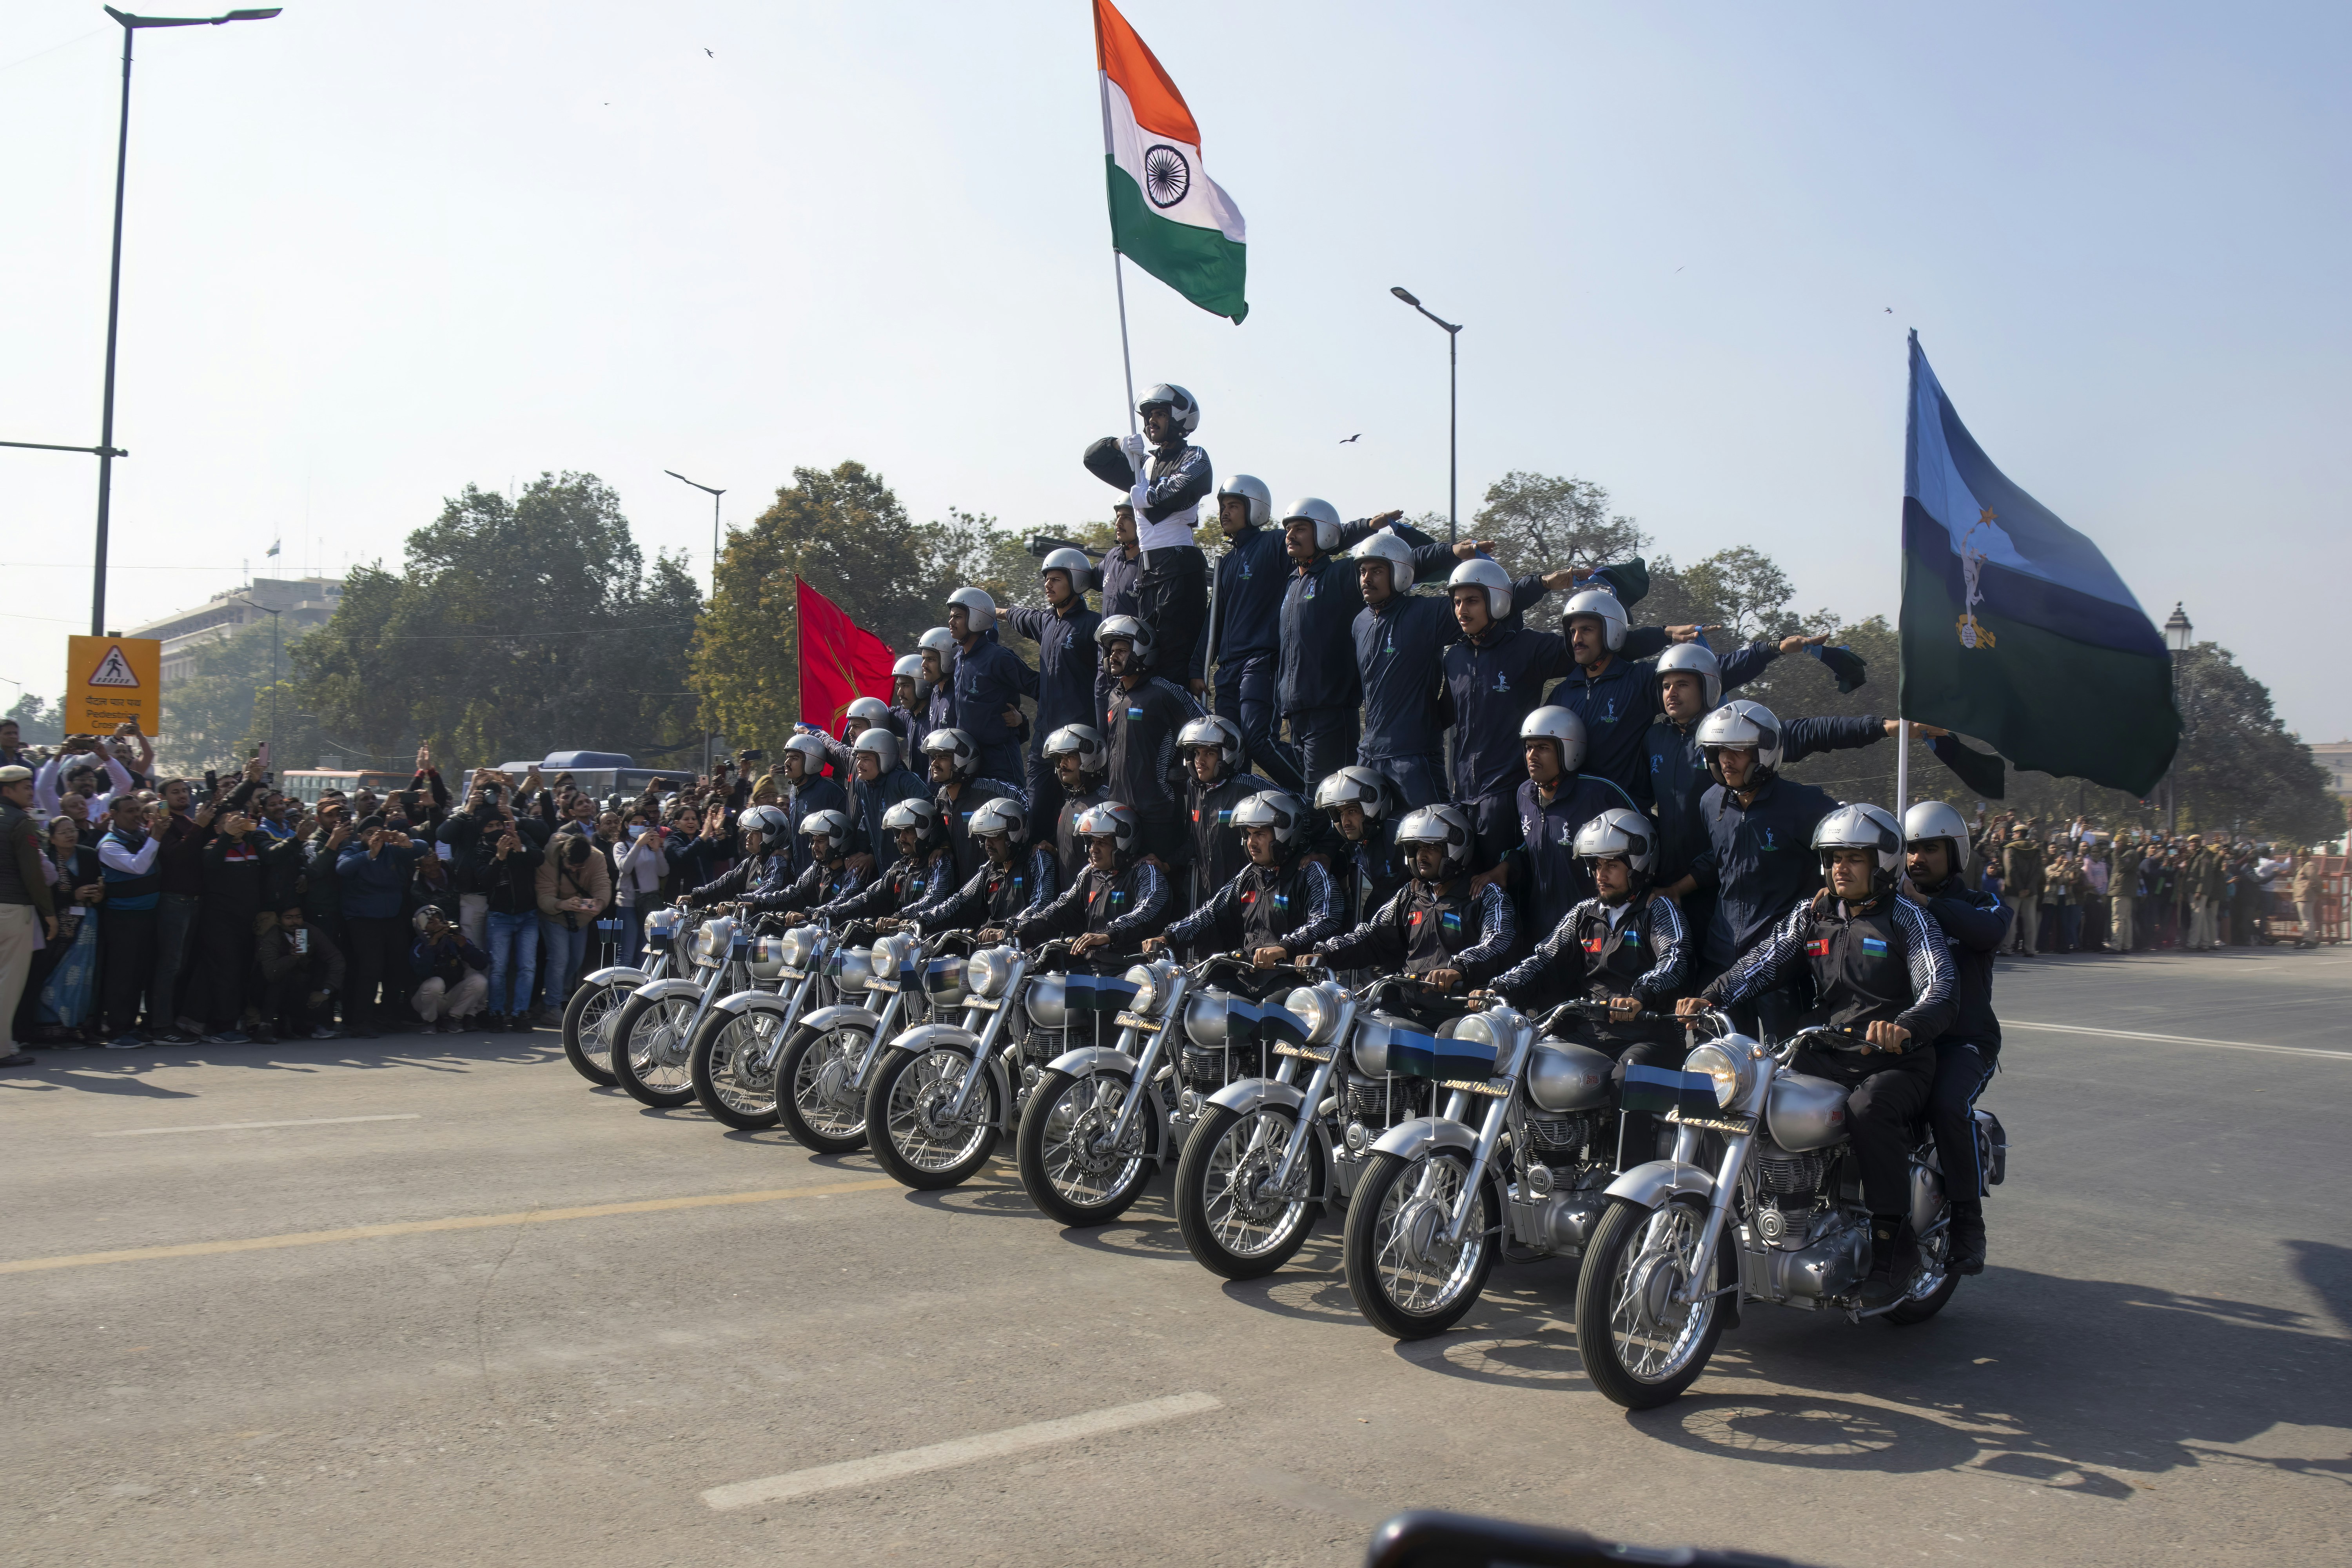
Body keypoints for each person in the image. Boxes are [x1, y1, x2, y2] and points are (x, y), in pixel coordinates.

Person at [1681, 803, 1956, 1306]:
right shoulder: (1815, 914)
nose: (1841, 869)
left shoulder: (1907, 918)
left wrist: (1905, 1027)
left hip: (1896, 1060)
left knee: (1867, 1110)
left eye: (1854, 858)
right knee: (1752, 1093)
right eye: (1833, 858)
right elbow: (1763, 961)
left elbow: (1940, 987)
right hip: (1828, 1050)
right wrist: (1713, 995)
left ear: (1884, 864)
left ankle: (1895, 1249)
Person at [1635, 641, 1930, 944]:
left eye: (1682, 684)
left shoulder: (1741, 732)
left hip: (1730, 893)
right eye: (1666, 685)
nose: (1672, 692)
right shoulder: (1653, 739)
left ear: (1708, 686)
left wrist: (1881, 728)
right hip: (1674, 885)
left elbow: (1813, 732)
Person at [1477, 808, 1690, 1169]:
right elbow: (1543, 958)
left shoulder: (1659, 910)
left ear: (1637, 865)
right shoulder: (1583, 915)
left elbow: (1675, 957)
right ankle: (1523, 1166)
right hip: (1589, 1029)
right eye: (1595, 866)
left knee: (1629, 1076)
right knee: (1522, 1061)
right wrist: (1498, 988)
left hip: (1646, 1033)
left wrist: (1640, 995)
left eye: (1611, 865)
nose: (1600, 875)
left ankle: (1628, 1186)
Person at [1652, 702, 1840, 1040]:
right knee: (1716, 1064)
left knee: (1780, 1067)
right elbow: (1722, 858)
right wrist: (1678, 889)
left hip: (1778, 963)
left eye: (1737, 751)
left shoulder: (1806, 805)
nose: (1726, 760)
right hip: (1720, 957)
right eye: (1719, 750)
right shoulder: (1711, 802)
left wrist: (1834, 888)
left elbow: (1852, 841)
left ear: (1765, 752)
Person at [1350, 531, 1576, 811]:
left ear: (1399, 574)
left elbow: (1495, 598)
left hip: (1413, 757)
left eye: (1377, 571)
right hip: (1369, 754)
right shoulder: (1359, 623)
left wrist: (1541, 584)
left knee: (1434, 838)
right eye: (1362, 571)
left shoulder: (1424, 614)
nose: (1367, 578)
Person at [1550, 587, 1810, 796]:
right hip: (1573, 816)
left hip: (1624, 818)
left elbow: (1714, 670)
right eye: (1572, 631)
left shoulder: (1637, 681)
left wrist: (1771, 649)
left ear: (1611, 631)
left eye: (1586, 630)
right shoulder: (1561, 695)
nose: (1576, 639)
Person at [1903, 800, 2005, 1277]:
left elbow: (1988, 932)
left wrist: (1925, 905)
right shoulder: (1893, 906)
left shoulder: (1980, 903)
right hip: (1908, 1039)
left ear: (1955, 851)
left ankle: (1969, 1223)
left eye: (1928, 848)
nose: (1916, 858)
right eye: (1909, 849)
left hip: (1965, 1042)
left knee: (1947, 1105)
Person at [1276, 502, 1436, 791]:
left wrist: (1454, 553)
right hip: (1297, 717)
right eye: (1288, 529)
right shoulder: (1290, 584)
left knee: (1327, 806)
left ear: (1323, 533)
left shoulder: (1340, 576)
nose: (1290, 535)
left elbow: (1407, 561)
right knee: (1308, 802)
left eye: (1300, 529)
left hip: (1331, 714)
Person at [1308, 804, 1517, 994]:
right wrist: (1326, 955)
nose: (1421, 856)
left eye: (1432, 848)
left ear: (1455, 848)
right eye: (1417, 849)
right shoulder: (1410, 894)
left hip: (1456, 1010)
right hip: (1408, 1002)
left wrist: (1459, 969)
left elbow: (1498, 942)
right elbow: (1373, 936)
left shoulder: (1485, 895)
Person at [1146, 789, 1345, 968]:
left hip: (1293, 979)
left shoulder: (1310, 872)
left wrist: (1285, 947)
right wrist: (1169, 936)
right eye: (1249, 835)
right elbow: (1211, 912)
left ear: (1284, 834)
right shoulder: (1250, 874)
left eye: (1260, 834)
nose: (1252, 843)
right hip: (1249, 973)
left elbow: (1328, 918)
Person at [1493, 707, 1640, 941]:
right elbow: (1529, 845)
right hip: (1541, 928)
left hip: (1592, 928)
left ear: (1569, 750)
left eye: (1543, 748)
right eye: (1529, 747)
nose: (1532, 755)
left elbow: (1642, 847)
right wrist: (1506, 865)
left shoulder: (1599, 794)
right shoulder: (1524, 794)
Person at [1198, 474, 1301, 791]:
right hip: (1227, 670)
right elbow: (1213, 621)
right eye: (1222, 507)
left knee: (1258, 740)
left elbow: (1321, 540)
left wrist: (1366, 526)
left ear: (1254, 509)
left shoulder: (1274, 544)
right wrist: (1195, 669)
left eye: (1233, 506)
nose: (1225, 513)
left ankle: (1315, 801)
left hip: (1261, 662)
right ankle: (1236, 821)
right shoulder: (1226, 562)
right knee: (1227, 750)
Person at [1002, 548, 1102, 842]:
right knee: (1036, 819)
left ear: (1077, 581)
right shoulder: (1046, 622)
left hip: (1080, 743)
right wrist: (988, 611)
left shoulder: (1094, 625)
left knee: (1078, 824)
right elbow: (1018, 615)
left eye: (1056, 579)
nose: (1048, 585)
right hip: (1044, 741)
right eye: (1046, 579)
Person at [1121, 383, 1214, 686]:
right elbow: (1092, 458)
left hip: (1179, 566)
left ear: (1179, 418)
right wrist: (1119, 449)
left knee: (1176, 663)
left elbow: (1176, 492)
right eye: (1148, 416)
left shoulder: (1195, 455)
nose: (1151, 421)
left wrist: (1146, 496)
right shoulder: (1145, 464)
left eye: (1159, 414)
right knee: (1147, 659)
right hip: (1148, 572)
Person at [1096, 615, 1204, 866]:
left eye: (1122, 650)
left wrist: (1181, 772)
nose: (1114, 657)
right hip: (1119, 812)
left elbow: (1209, 732)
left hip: (1158, 814)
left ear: (1141, 650)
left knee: (1165, 883)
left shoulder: (1165, 691)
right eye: (1112, 651)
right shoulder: (1112, 697)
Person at [1004, 800, 1170, 956]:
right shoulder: (1089, 874)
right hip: (1091, 965)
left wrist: (1109, 935)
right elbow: (1062, 909)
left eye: (1102, 843)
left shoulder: (1145, 872)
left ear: (1123, 843)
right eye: (1092, 842)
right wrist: (1023, 928)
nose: (1094, 850)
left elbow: (1149, 910)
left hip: (1130, 969)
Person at [909, 797, 1055, 935]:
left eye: (995, 836)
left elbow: (1042, 903)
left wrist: (1010, 928)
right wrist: (921, 921)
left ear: (1014, 833)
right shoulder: (989, 870)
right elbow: (959, 902)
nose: (988, 844)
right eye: (984, 838)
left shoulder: (1037, 860)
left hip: (1028, 953)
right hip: (990, 953)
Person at [459, 803, 542, 1034]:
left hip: (528, 914)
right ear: (482, 830)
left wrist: (520, 848)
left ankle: (520, 1013)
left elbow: (539, 857)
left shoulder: (520, 837)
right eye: (490, 826)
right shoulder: (480, 850)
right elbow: (484, 880)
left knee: (527, 966)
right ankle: (496, 1013)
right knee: (499, 967)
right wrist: (499, 857)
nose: (497, 829)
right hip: (500, 916)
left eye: (499, 824)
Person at [814, 798, 956, 929]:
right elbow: (869, 897)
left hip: (930, 944)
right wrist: (828, 912)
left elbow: (934, 898)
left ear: (925, 830)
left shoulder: (938, 863)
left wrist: (900, 917)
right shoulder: (899, 867)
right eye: (899, 832)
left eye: (908, 831)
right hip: (898, 941)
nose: (902, 838)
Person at [1176, 715, 1269, 913]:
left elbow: (1297, 804)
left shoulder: (1248, 785)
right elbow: (1192, 841)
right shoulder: (1194, 788)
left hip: (1245, 896)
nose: (1200, 761)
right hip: (1206, 898)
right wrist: (1167, 863)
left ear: (1227, 754)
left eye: (1209, 753)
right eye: (1197, 753)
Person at [944, 588, 1038, 784]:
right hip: (968, 761)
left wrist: (1023, 720)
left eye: (958, 617)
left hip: (1000, 760)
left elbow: (1040, 688)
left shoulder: (999, 657)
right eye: (951, 616)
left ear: (977, 618)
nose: (951, 622)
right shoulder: (959, 658)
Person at [192, 806, 269, 1044]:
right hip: (220, 922)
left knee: (244, 973)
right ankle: (222, 1027)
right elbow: (211, 864)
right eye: (231, 821)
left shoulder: (253, 846)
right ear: (218, 827)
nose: (238, 823)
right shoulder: (213, 845)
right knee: (226, 972)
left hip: (249, 923)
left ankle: (237, 1021)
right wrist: (226, 836)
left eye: (241, 819)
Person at [96, 792, 165, 1049]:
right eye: (129, 811)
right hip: (123, 919)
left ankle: (131, 1026)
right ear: (113, 815)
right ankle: (117, 1030)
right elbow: (138, 866)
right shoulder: (110, 845)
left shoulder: (142, 838)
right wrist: (156, 837)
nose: (137, 815)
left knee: (139, 974)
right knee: (121, 975)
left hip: (147, 917)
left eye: (138, 810)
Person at [0, 764, 56, 1067]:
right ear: (7, 790)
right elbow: (33, 874)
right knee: (8, 983)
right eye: (25, 788)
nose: (30, 793)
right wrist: (49, 913)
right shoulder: (21, 822)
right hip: (11, 910)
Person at [921, 728, 1021, 888]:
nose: (934, 763)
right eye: (934, 757)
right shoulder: (941, 798)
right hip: (962, 893)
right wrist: (944, 847)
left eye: (943, 757)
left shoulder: (989, 791)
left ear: (963, 759)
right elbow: (943, 833)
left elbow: (1024, 807)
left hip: (996, 888)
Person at [1315, 765, 1409, 927]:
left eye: (1352, 811)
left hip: (1412, 909)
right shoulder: (1359, 837)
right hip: (1382, 907)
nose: (1345, 822)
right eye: (1341, 813)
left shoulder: (1400, 830)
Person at [537, 826, 612, 1019]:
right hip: (554, 914)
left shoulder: (596, 858)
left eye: (579, 867)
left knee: (576, 959)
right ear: (563, 855)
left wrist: (599, 903)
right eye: (571, 866)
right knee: (560, 958)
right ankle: (551, 1006)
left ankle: (562, 998)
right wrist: (562, 904)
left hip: (581, 917)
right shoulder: (548, 859)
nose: (574, 870)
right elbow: (544, 897)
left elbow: (602, 885)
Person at [255, 906, 345, 1041]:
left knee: (320, 969)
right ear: (279, 920)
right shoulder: (272, 936)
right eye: (289, 918)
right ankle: (265, 1027)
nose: (295, 922)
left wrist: (326, 992)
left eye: (298, 917)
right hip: (269, 990)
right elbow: (270, 974)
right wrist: (292, 958)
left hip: (300, 987)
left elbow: (336, 959)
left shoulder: (310, 931)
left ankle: (313, 1025)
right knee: (278, 979)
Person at [765, 809, 865, 923]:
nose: (814, 847)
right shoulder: (818, 868)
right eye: (813, 842)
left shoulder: (854, 871)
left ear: (839, 840)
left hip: (843, 935)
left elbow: (843, 902)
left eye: (820, 842)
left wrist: (807, 915)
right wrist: (757, 903)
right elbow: (795, 893)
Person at [1042, 724, 1111, 888]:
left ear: (1090, 757)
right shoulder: (1070, 801)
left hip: (1094, 901)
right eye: (1059, 759)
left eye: (1069, 757)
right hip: (1070, 902)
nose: (1062, 765)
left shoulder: (1106, 803)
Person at [408, 906, 490, 1034]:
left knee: (480, 981)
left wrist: (464, 945)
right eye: (431, 922)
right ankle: (430, 1021)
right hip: (424, 1000)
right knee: (436, 983)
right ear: (422, 927)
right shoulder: (419, 944)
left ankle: (455, 1018)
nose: (438, 924)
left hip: (450, 997)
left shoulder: (452, 940)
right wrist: (434, 942)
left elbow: (482, 964)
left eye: (439, 920)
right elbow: (423, 971)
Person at [2001, 827, 2044, 955]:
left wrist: (2020, 889)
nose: (2013, 835)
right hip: (2031, 892)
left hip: (2014, 890)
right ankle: (2030, 949)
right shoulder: (2036, 850)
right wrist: (2029, 888)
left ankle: (2007, 948)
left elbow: (2011, 870)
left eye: (2014, 833)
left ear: (2018, 833)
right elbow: (2038, 872)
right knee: (2030, 920)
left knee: (2011, 921)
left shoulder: (2010, 849)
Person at [2293, 850, 2325, 947]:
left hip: (2305, 896)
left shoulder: (2309, 865)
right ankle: (2308, 939)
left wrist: (2305, 890)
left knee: (2307, 919)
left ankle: (2309, 941)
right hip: (2302, 896)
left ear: (2307, 857)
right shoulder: (2303, 866)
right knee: (2306, 919)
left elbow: (2314, 879)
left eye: (2302, 856)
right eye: (2299, 856)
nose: (2300, 858)